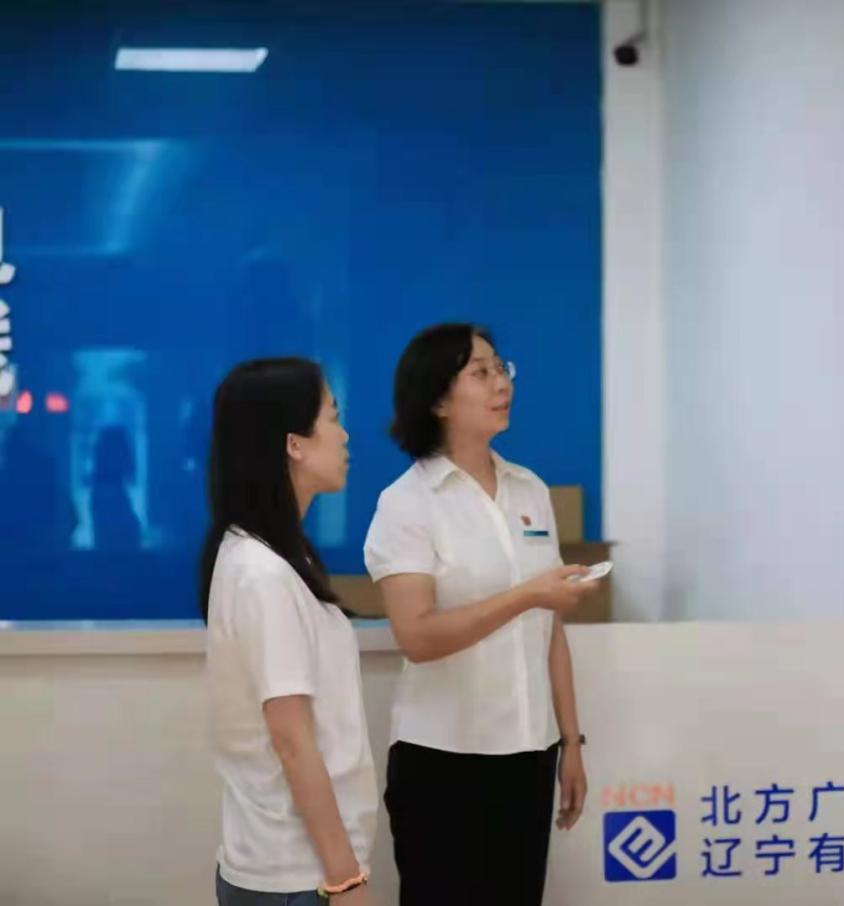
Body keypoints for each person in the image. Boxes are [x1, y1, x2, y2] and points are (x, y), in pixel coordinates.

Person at [364, 323, 598, 906]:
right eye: (480, 372)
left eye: (501, 368)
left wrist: (570, 742)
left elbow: (550, 632)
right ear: (439, 400)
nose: (501, 383)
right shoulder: (407, 502)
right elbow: (416, 636)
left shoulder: (530, 489)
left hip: (530, 755)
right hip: (444, 762)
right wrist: (527, 595)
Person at [200, 358, 377, 906]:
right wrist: (345, 880)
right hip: (295, 874)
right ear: (294, 444)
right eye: (333, 418)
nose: (345, 435)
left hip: (295, 868)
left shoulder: (276, 555)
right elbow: (292, 740)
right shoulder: (262, 573)